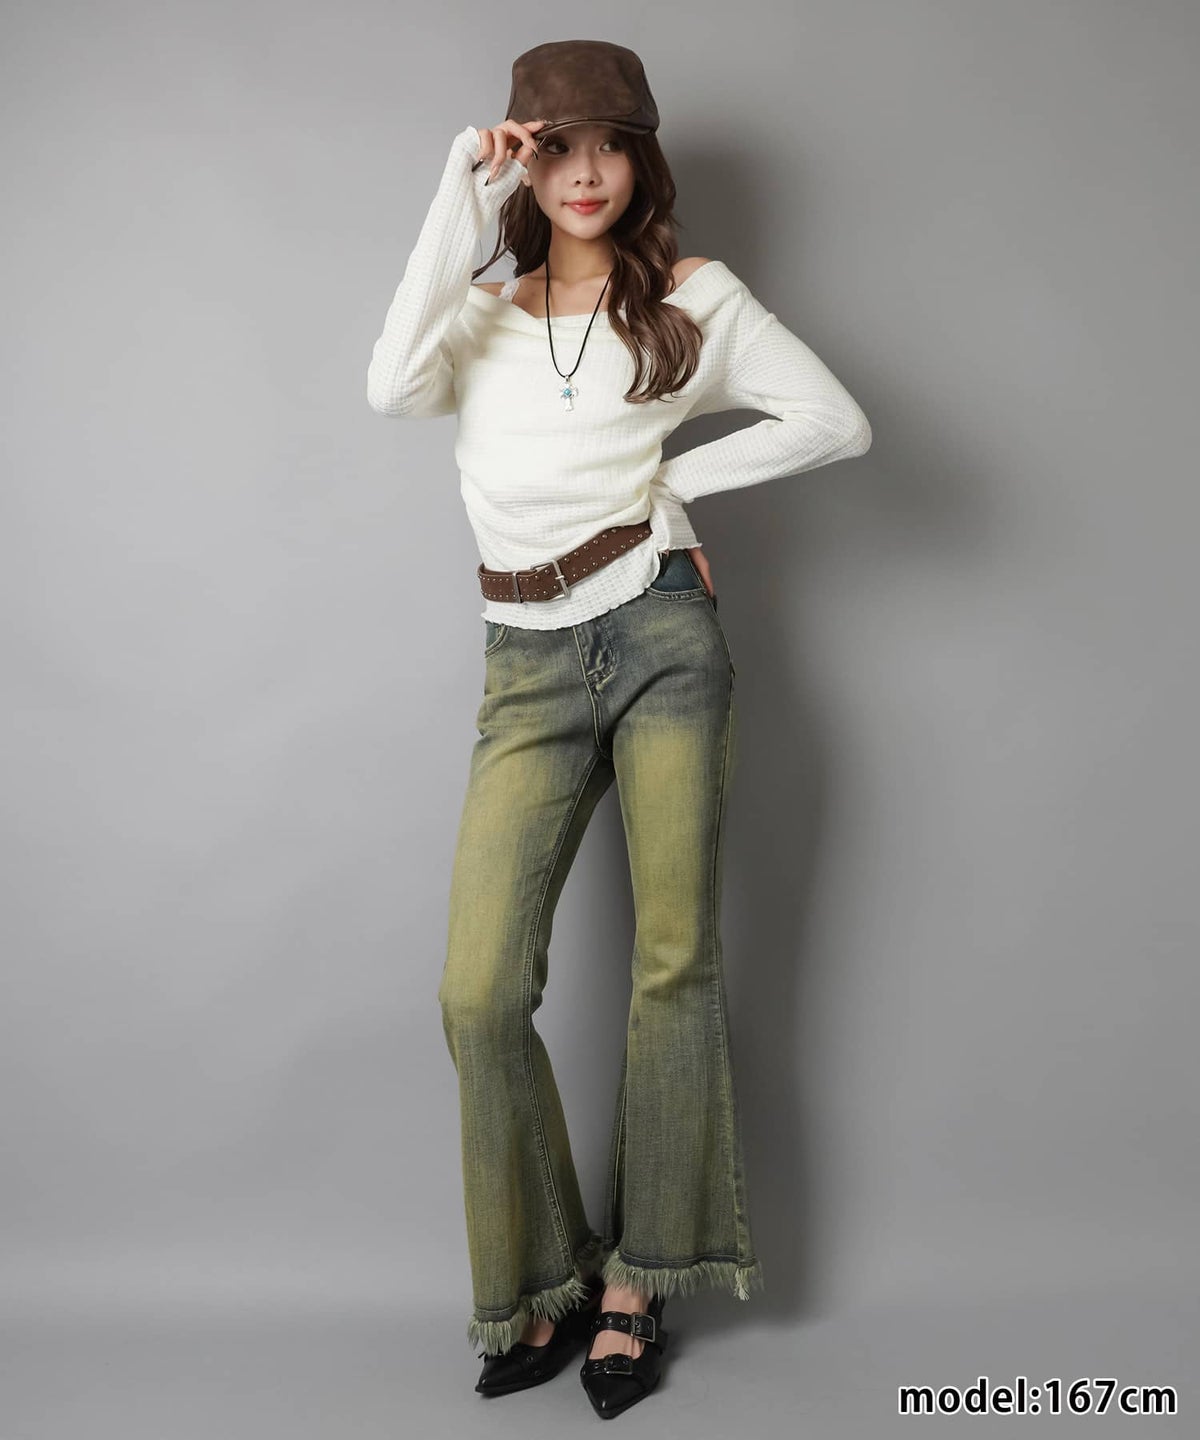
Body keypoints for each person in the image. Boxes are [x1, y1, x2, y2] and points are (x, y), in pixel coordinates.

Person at [366, 39, 871, 1419]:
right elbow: (390, 386)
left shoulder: (693, 298)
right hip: (524, 664)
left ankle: (642, 1282)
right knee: (478, 992)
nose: (585, 172)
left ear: (641, 160)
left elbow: (833, 421)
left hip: (659, 634)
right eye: (555, 146)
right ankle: (542, 1280)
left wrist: (671, 490)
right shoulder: (479, 313)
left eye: (610, 145)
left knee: (671, 961)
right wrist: (460, 191)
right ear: (523, 160)